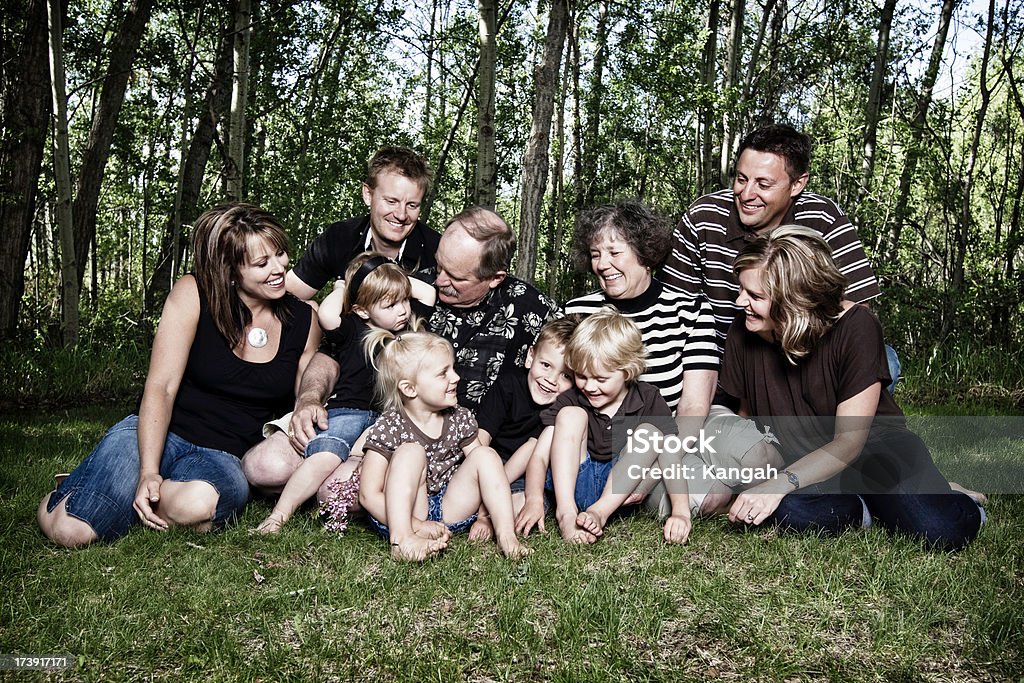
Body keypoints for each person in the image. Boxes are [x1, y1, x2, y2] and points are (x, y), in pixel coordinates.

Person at [37, 203, 320, 547]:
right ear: (230, 271)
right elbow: (162, 388)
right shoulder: (193, 293)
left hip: (223, 456)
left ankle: (121, 496)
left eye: (280, 254)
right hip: (163, 432)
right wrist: (148, 471)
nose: (279, 269)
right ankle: (81, 492)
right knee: (71, 532)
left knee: (198, 505)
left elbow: (307, 387)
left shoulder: (304, 319)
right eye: (262, 263)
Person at [721, 226, 984, 551]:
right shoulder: (744, 330)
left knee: (939, 530)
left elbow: (849, 442)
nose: (739, 301)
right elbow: (746, 415)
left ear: (796, 300)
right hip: (807, 464)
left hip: (873, 451)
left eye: (755, 296)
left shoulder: (857, 325)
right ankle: (863, 507)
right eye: (742, 289)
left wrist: (778, 483)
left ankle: (949, 495)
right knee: (788, 512)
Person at [659, 124, 899, 390]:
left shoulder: (823, 217)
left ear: (797, 184)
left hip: (801, 352)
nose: (747, 194)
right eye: (741, 179)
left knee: (885, 360)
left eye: (763, 184)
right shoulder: (704, 217)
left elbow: (856, 315)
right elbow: (673, 308)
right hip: (721, 355)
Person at [246, 252, 434, 534]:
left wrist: (389, 275)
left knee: (363, 466)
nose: (403, 310)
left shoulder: (406, 332)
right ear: (361, 309)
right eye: (391, 304)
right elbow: (325, 313)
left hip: (385, 420)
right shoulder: (351, 328)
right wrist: (346, 286)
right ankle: (279, 515)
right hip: (347, 411)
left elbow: (429, 294)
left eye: (405, 301)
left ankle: (327, 504)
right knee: (325, 457)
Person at [355, 330, 530, 561]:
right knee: (411, 451)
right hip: (405, 512)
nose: (456, 377)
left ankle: (507, 537)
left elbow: (486, 473)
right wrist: (415, 524)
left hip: (449, 507)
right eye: (443, 373)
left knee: (485, 454)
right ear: (409, 389)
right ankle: (402, 541)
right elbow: (368, 495)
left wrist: (484, 517)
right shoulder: (390, 425)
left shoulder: (460, 417)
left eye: (453, 368)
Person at [519, 309, 679, 544]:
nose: (590, 386)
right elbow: (540, 456)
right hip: (573, 482)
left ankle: (599, 512)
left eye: (600, 379)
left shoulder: (648, 398)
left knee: (652, 433)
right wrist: (533, 499)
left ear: (628, 371)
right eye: (581, 376)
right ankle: (566, 513)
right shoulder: (572, 398)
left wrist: (681, 512)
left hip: (621, 492)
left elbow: (671, 457)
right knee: (571, 415)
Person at [413, 206, 560, 409]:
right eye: (439, 265)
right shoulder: (415, 290)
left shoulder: (532, 309)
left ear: (495, 278)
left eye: (456, 277)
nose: (439, 280)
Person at [468, 316, 578, 539]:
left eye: (566, 376)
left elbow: (534, 452)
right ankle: (483, 508)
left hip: (529, 477)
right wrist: (481, 477)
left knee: (517, 507)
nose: (551, 380)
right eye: (545, 365)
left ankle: (489, 515)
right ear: (530, 357)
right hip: (493, 464)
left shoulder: (566, 407)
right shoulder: (508, 385)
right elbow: (482, 437)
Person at [285, 146, 439, 300]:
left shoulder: (437, 251)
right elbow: (284, 298)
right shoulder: (339, 237)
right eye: (391, 201)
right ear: (367, 195)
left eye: (412, 205)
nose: (401, 215)